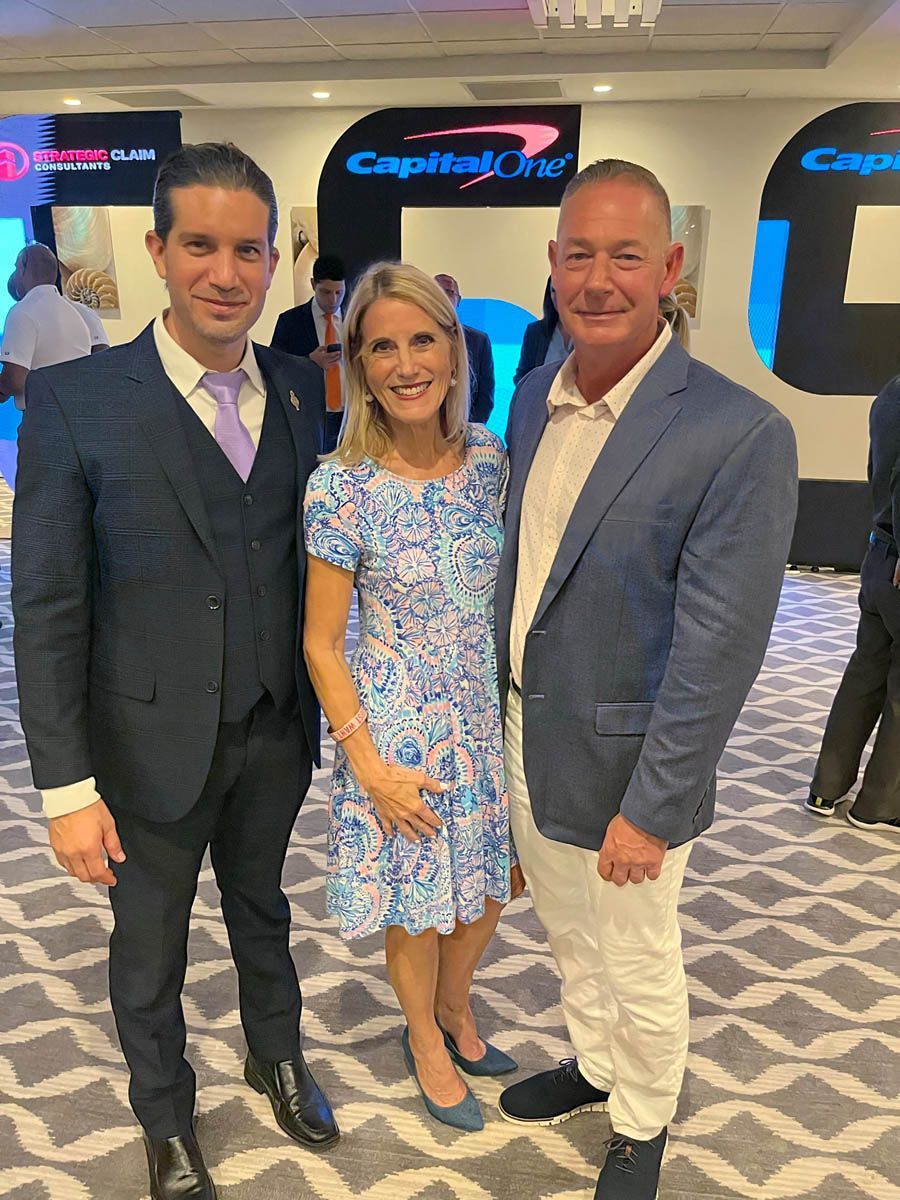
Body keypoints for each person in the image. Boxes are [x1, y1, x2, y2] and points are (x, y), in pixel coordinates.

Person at [12, 142, 339, 1200]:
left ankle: (275, 1052)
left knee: (263, 909)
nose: (226, 272)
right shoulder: (77, 402)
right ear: (157, 250)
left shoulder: (297, 388)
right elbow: (49, 609)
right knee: (149, 943)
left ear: (272, 259)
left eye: (248, 249)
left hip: (274, 726)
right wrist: (65, 789)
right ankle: (164, 1115)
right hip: (144, 741)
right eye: (200, 244)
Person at [494, 159, 798, 1199]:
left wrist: (655, 809)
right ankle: (593, 1062)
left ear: (669, 267)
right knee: (568, 934)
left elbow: (721, 648)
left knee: (636, 952)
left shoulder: (737, 431)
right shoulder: (534, 394)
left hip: (632, 766)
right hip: (526, 732)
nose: (599, 278)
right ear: (551, 265)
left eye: (627, 255)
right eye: (579, 253)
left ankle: (643, 1118)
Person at [303, 261, 523, 1134]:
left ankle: (456, 1009)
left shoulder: (490, 462)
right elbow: (321, 642)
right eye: (381, 346)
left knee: (495, 891)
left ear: (453, 348)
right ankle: (426, 1039)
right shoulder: (341, 485)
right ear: (358, 363)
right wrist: (369, 768)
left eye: (421, 340)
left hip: (485, 718)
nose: (404, 364)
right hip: (397, 735)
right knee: (423, 909)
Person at [806, 371, 900, 833]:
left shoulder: (890, 394)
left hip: (879, 552)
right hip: (898, 557)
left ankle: (827, 787)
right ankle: (879, 806)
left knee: (865, 672)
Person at [0, 243, 107, 408]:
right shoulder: (83, 312)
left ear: (21, 267)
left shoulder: (22, 311)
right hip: (85, 410)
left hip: (44, 416)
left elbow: (14, 381)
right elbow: (102, 364)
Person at [271, 253, 346, 453]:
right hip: (311, 413)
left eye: (339, 292)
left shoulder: (356, 319)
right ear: (313, 285)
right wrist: (309, 361)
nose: (333, 300)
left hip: (352, 415)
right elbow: (273, 369)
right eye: (326, 292)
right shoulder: (290, 322)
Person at [433, 272, 496, 424]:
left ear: (458, 300)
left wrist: (470, 431)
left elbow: (485, 394)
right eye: (436, 290)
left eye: (448, 291)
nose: (442, 296)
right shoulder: (415, 339)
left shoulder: (479, 340)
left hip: (465, 429)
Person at [512, 277, 571, 387]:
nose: (557, 297)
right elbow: (522, 375)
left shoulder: (592, 331)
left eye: (562, 290)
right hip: (541, 401)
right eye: (553, 290)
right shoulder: (536, 331)